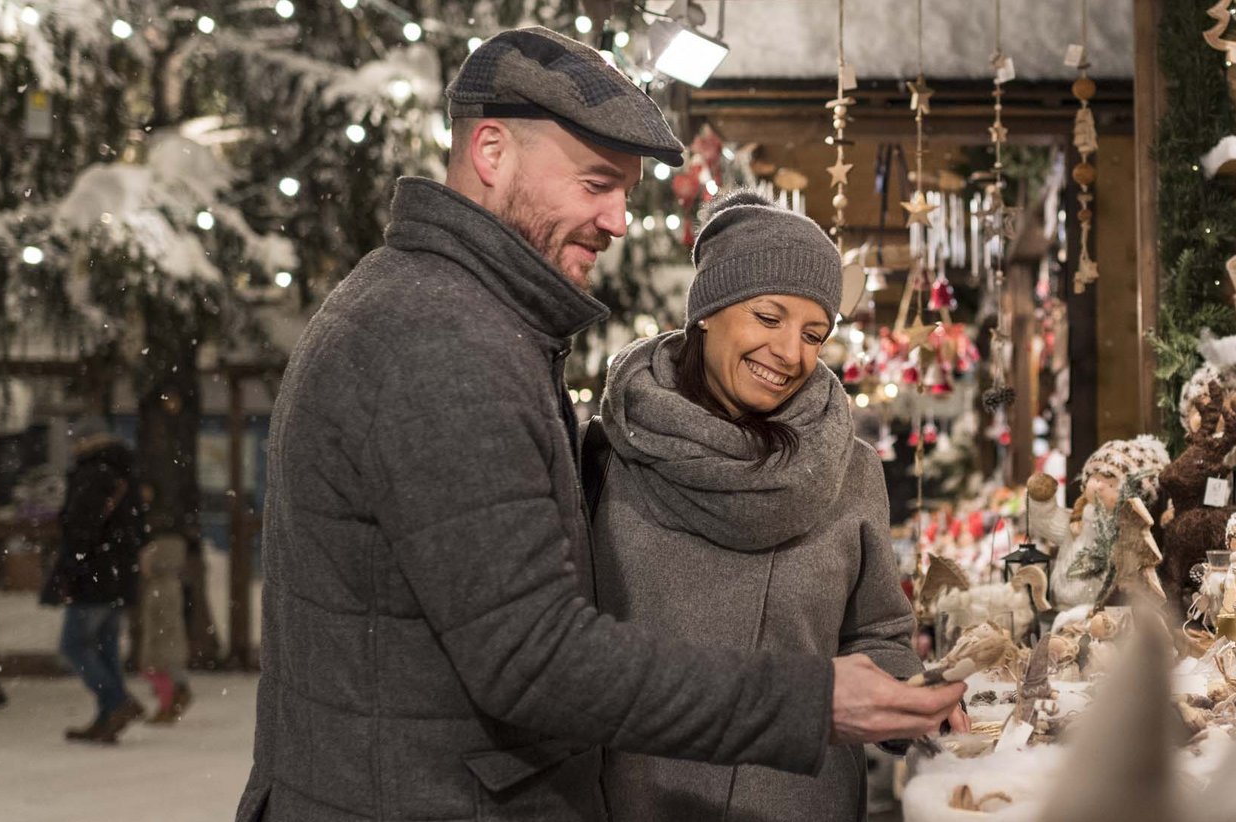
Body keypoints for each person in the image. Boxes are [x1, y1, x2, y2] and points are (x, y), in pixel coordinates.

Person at [238, 27, 961, 822]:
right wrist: (808, 700)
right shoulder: (442, 342)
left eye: (624, 192)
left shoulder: (468, 317)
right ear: (490, 151)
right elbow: (533, 656)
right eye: (595, 184)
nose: (618, 220)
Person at [589, 191, 966, 821]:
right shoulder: (607, 457)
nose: (791, 353)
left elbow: (874, 635)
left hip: (799, 803)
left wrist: (910, 698)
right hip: (635, 803)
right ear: (708, 310)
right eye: (769, 318)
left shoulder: (850, 469)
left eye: (813, 333)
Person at [44, 419, 146, 743]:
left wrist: (69, 570)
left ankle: (117, 701)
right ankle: (107, 718)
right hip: (116, 577)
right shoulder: (123, 472)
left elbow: (80, 530)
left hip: (94, 576)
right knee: (105, 649)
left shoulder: (92, 474)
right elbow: (138, 528)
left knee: (73, 646)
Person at [135, 516, 192, 725]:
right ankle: (171, 700)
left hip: (162, 650)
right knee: (162, 670)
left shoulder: (161, 589)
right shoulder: (165, 586)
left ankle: (169, 703)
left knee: (161, 671)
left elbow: (162, 623)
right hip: (164, 648)